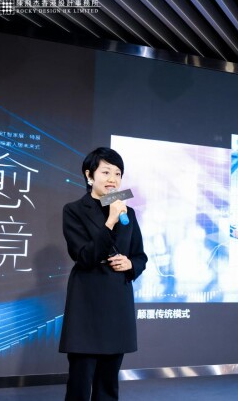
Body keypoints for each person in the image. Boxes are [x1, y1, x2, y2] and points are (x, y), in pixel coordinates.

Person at [60, 147, 147, 400]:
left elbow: (140, 256)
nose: (113, 179)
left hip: (117, 303)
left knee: (108, 384)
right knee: (80, 382)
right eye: (106, 172)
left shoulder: (128, 212)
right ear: (89, 175)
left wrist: (130, 264)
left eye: (118, 173)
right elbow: (84, 256)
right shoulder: (74, 210)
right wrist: (110, 221)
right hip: (87, 305)